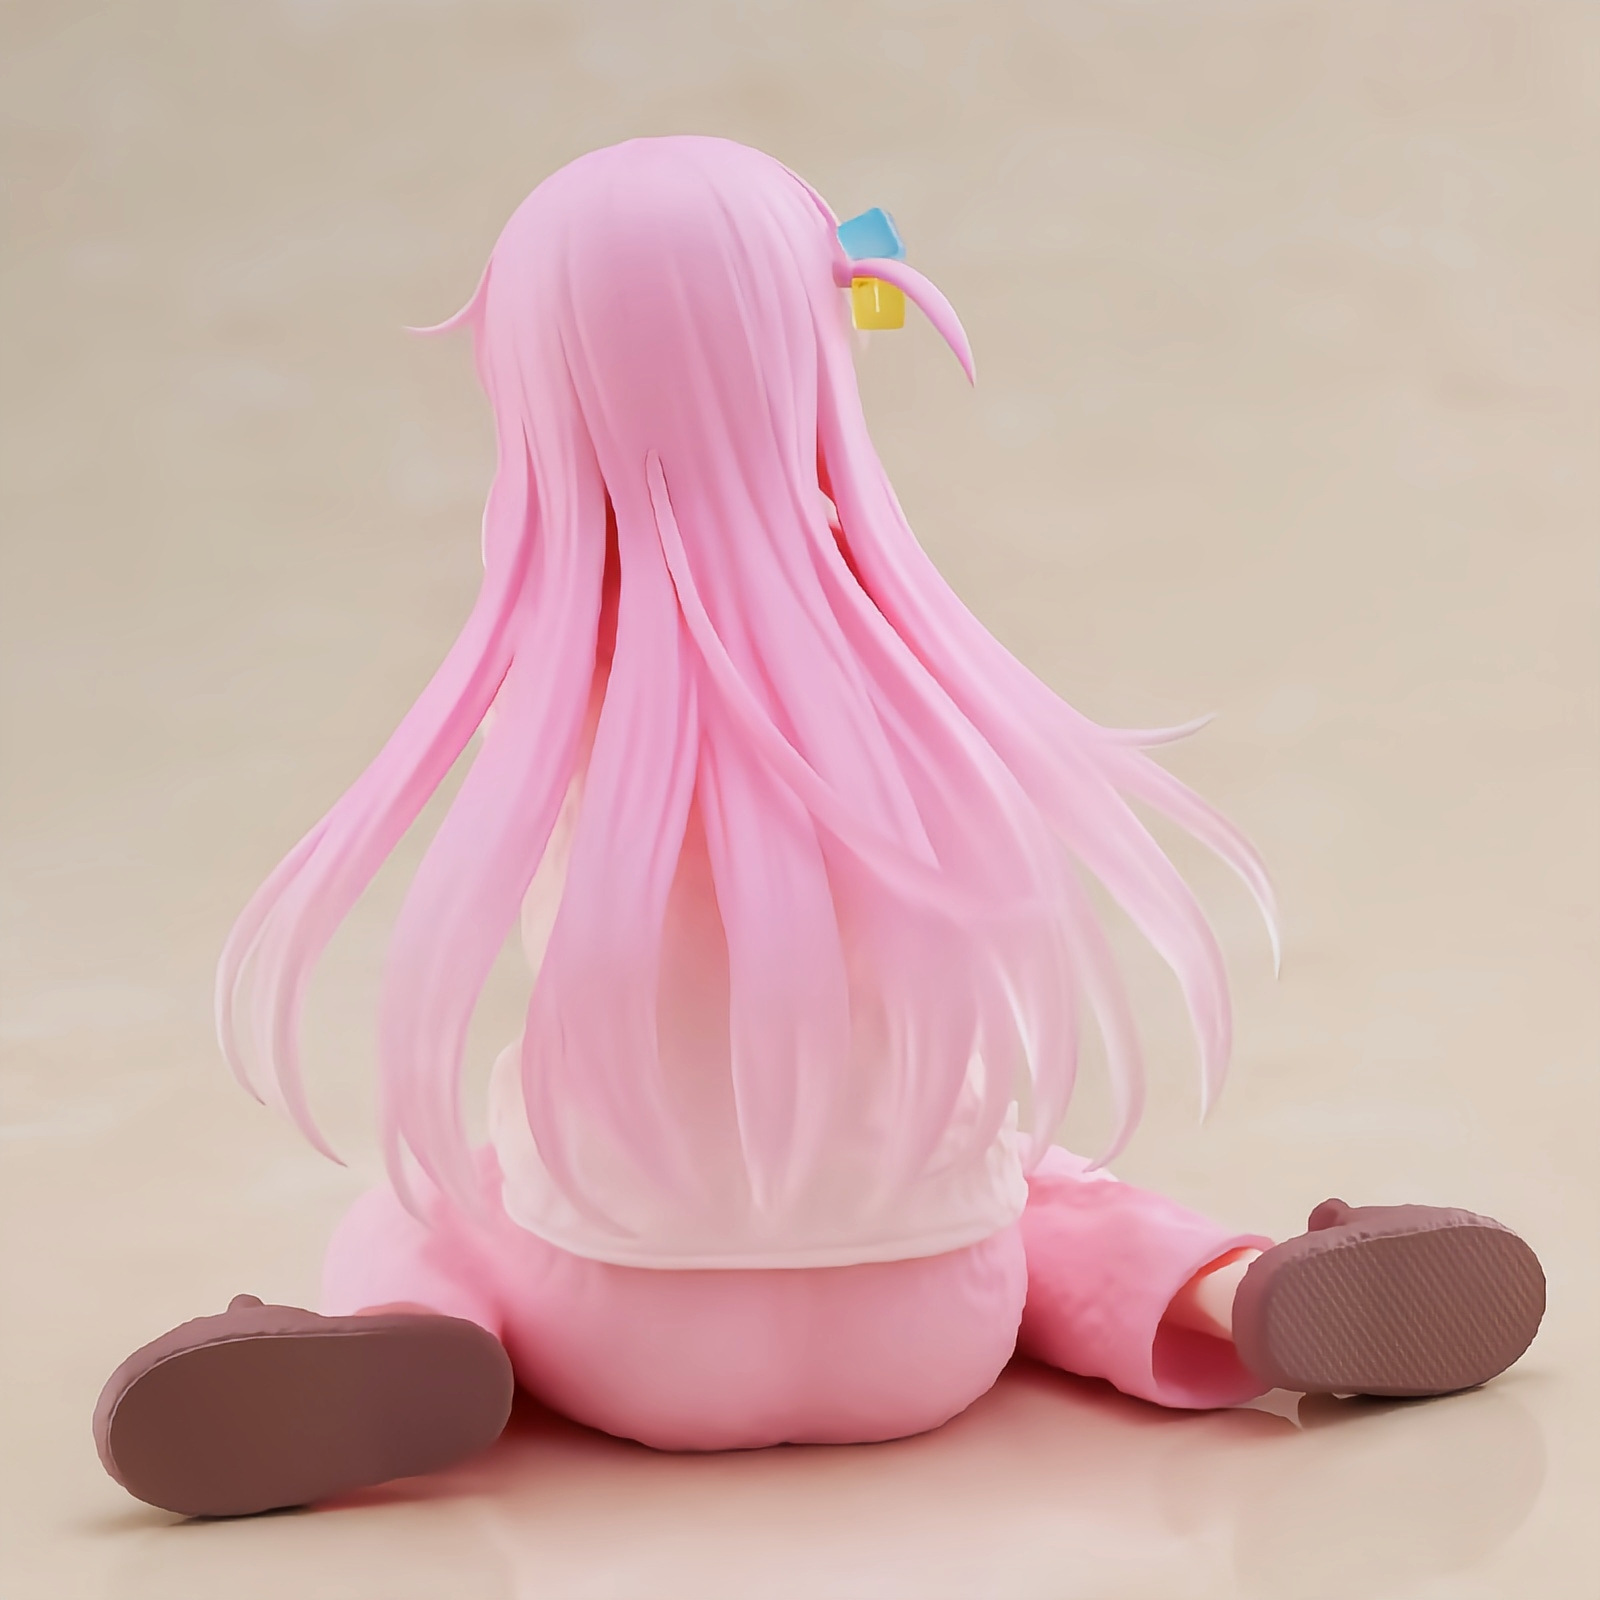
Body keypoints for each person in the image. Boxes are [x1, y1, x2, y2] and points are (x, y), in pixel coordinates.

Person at [93, 137, 1544, 1520]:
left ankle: (420, 1330)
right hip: (935, 1326)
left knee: (431, 1202)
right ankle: (1230, 1291)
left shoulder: (549, 682)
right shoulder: (916, 664)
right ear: (818, 345)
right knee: (1040, 1185)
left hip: (620, 1330)